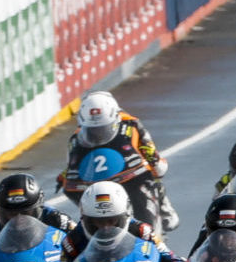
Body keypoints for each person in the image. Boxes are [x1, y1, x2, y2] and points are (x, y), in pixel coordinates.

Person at [57, 90, 179, 231]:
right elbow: (71, 164)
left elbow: (159, 165)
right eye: (92, 130)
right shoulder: (75, 139)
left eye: (103, 129)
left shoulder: (132, 125)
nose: (98, 134)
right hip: (98, 185)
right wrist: (66, 176)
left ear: (115, 120)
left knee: (152, 173)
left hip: (131, 176)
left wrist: (153, 158)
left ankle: (163, 207)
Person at [0, 172, 78, 262]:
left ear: (40, 208)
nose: (19, 219)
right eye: (11, 214)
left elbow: (81, 248)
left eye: (25, 213)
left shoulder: (58, 220)